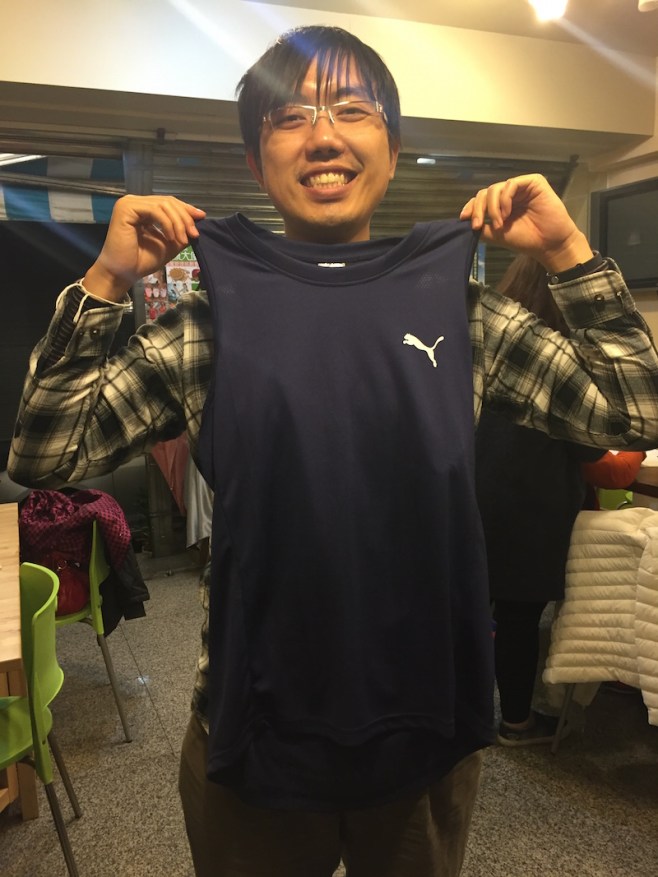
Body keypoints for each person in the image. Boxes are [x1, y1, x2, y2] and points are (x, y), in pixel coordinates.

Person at [8, 24, 658, 877]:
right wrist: (105, 283)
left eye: (352, 109)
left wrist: (569, 253)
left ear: (392, 147)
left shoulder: (462, 313)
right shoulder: (213, 322)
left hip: (423, 727)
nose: (323, 135)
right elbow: (45, 453)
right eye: (290, 117)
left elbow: (633, 410)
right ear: (256, 160)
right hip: (251, 724)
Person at [475, 256, 608, 747]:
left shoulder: (482, 344)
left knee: (467, 612)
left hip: (471, 500)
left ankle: (460, 714)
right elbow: (591, 449)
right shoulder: (564, 360)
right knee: (518, 620)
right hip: (531, 508)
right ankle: (515, 724)